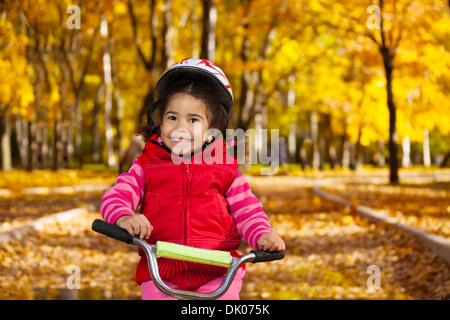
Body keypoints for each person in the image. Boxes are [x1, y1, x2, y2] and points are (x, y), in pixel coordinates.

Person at [100, 58, 285, 300]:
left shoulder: (226, 170)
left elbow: (247, 210)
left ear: (211, 131)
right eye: (172, 118)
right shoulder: (146, 166)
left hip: (219, 271)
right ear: (160, 122)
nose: (180, 128)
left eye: (193, 120)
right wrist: (124, 216)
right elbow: (117, 194)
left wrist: (262, 234)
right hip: (161, 270)